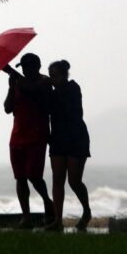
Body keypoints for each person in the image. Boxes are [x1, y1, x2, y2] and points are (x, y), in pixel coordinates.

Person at [2, 53, 54, 228]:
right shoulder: (18, 83)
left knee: (34, 175)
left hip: (37, 136)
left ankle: (48, 202)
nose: (24, 70)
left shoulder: (45, 82)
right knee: (20, 177)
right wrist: (11, 87)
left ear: (37, 67)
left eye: (27, 67)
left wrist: (10, 71)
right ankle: (26, 217)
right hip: (17, 136)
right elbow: (7, 108)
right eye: (22, 67)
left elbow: (33, 89)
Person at [46, 60, 91, 231]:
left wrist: (46, 85)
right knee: (57, 180)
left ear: (65, 75)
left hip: (76, 138)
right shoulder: (51, 94)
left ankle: (86, 211)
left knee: (74, 181)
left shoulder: (73, 88)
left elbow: (70, 110)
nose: (52, 80)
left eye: (55, 76)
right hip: (57, 138)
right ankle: (58, 220)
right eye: (50, 76)